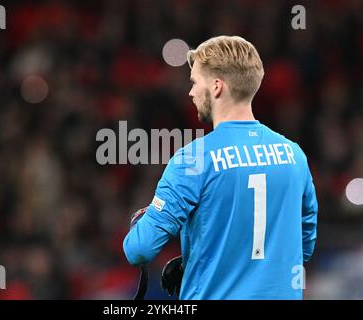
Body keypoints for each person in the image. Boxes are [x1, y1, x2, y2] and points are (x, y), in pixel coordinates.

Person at [123, 35, 318, 300]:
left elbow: (139, 249)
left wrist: (142, 223)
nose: (190, 92)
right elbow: (304, 247)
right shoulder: (294, 155)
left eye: (194, 82)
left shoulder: (193, 159)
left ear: (216, 87)